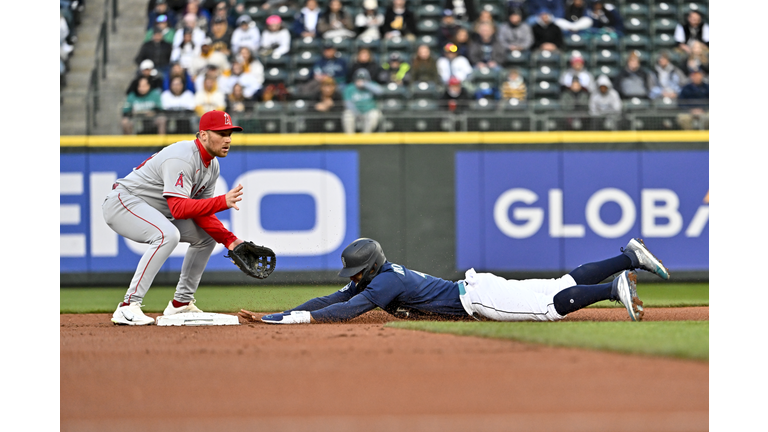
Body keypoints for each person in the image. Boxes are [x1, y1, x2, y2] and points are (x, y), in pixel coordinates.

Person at [243, 236, 669, 325]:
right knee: (559, 283)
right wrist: (277, 314)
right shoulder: (378, 276)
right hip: (477, 287)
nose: (351, 279)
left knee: (547, 309)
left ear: (368, 267)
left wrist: (290, 322)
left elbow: (344, 311)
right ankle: (626, 257)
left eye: (355, 272)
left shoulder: (382, 285)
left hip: (479, 300)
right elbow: (326, 298)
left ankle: (613, 287)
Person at [105, 110, 246, 326]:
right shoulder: (182, 156)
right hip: (123, 202)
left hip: (154, 209)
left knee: (207, 238)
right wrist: (222, 201)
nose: (227, 139)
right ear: (203, 135)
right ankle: (128, 306)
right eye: (221, 133)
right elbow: (179, 209)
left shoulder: (212, 165)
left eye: (229, 133)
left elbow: (201, 212)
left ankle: (181, 304)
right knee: (167, 235)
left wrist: (230, 241)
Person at [342, 68, 382, 134]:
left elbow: (380, 92)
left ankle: (365, 138)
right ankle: (349, 139)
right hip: (355, 112)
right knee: (347, 115)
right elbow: (348, 104)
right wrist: (357, 113)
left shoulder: (372, 85)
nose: (360, 81)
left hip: (369, 111)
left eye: (363, 79)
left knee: (374, 114)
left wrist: (366, 84)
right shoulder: (349, 88)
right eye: (358, 79)